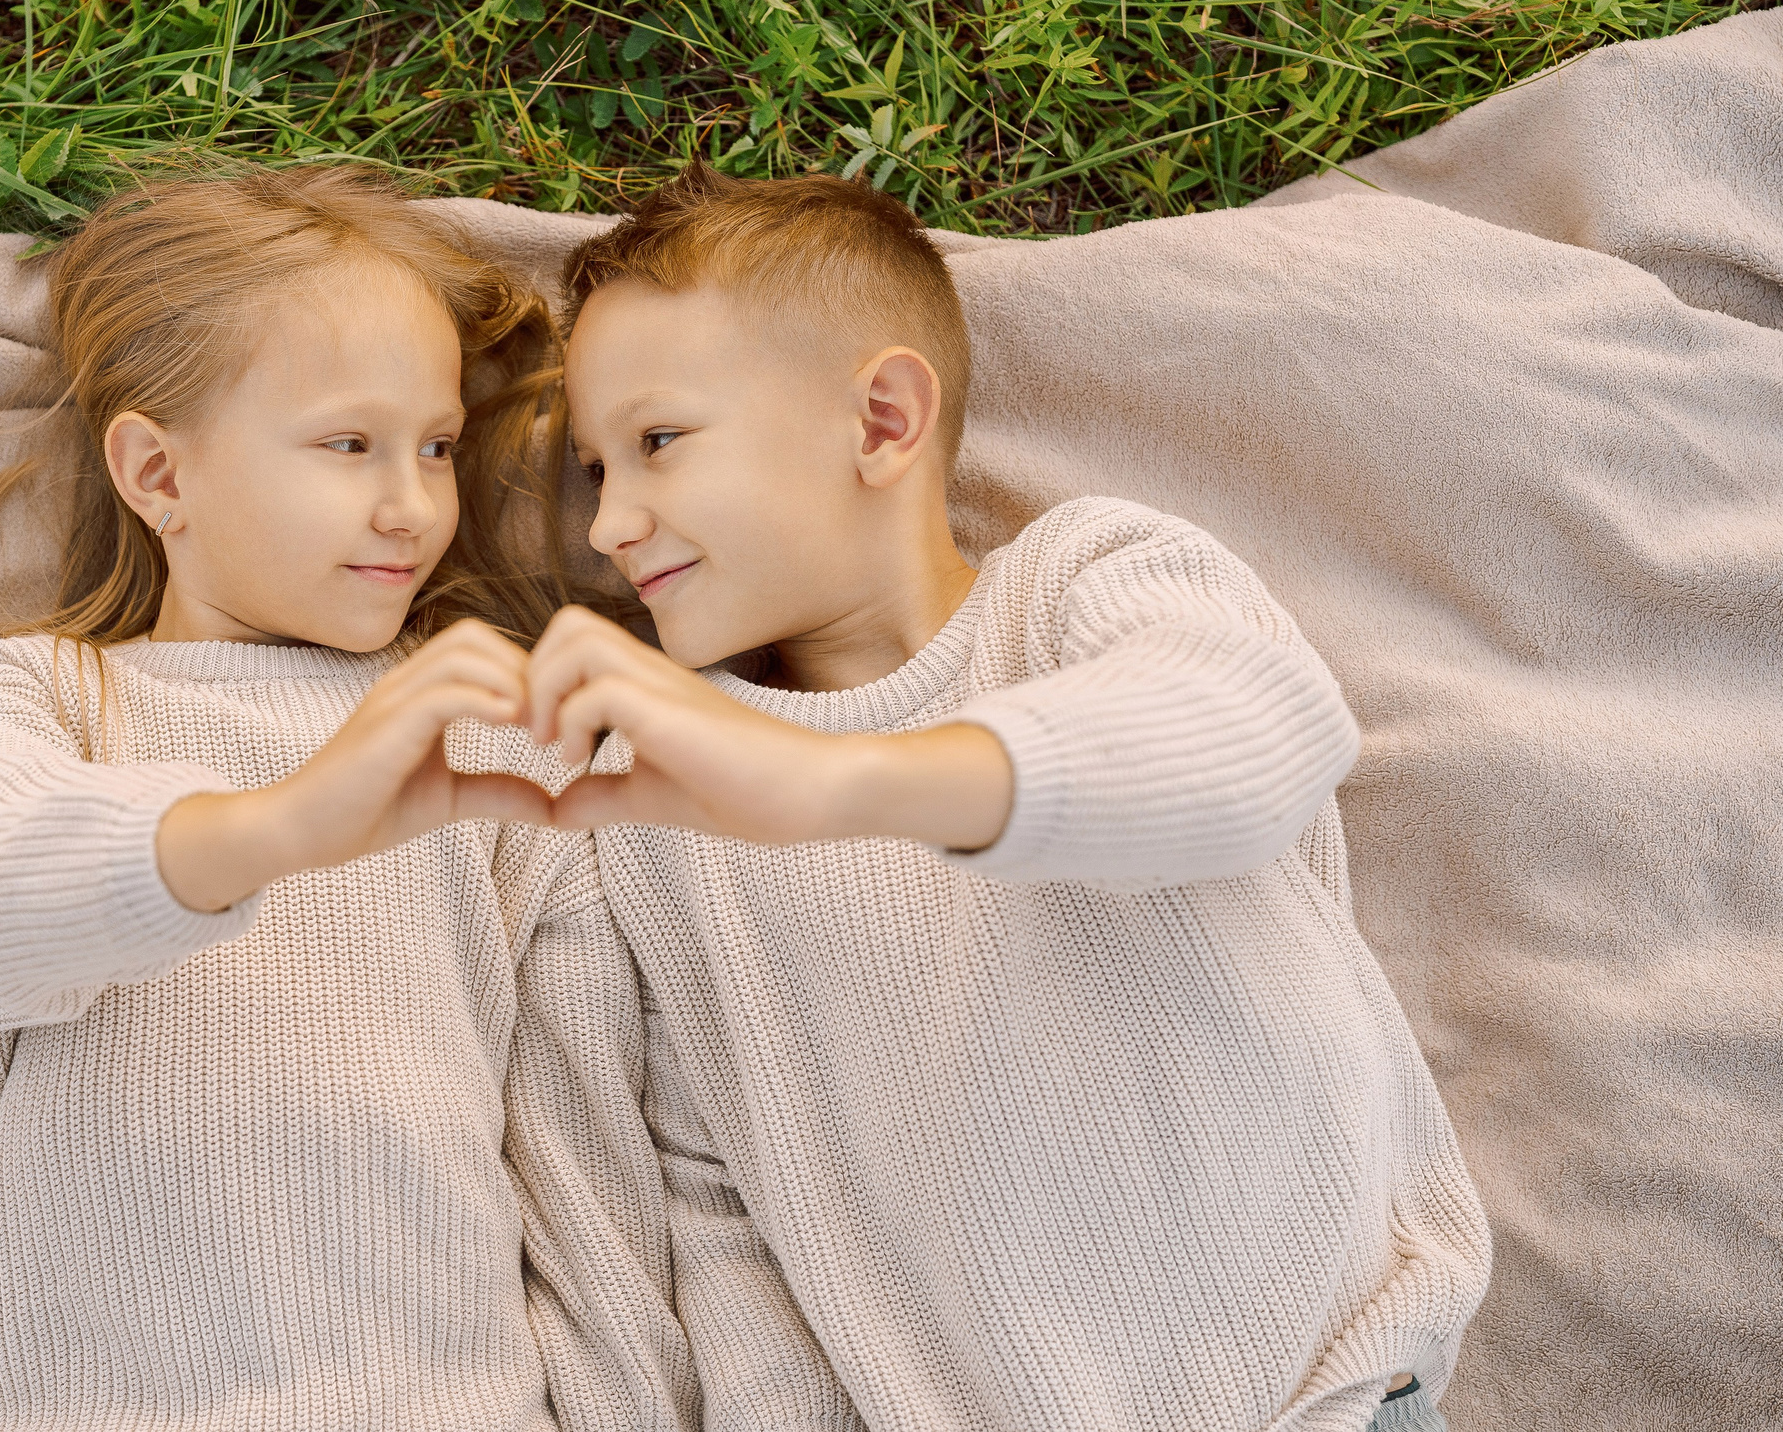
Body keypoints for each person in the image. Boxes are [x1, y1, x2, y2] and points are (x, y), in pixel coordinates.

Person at [520, 163, 1492, 1432]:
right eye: (596, 472)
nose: (608, 525)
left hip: (1334, 1380)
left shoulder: (1083, 586)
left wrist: (837, 780)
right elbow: (720, 1210)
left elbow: (1255, 731)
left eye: (656, 443)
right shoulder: (658, 810)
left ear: (878, 422)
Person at [0, 166, 684, 1431]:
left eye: (439, 446)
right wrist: (283, 824)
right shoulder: (55, 697)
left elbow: (583, 1162)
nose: (412, 505)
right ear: (157, 474)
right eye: (349, 444)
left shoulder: (493, 733)